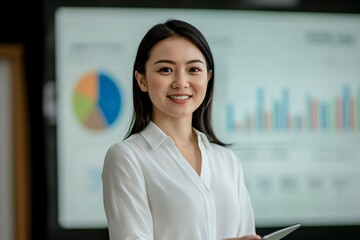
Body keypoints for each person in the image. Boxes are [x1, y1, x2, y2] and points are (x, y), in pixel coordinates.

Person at [102, 19, 261, 240]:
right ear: (142, 80)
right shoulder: (126, 158)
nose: (181, 82)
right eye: (166, 69)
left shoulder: (228, 161)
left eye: (194, 69)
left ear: (208, 77)